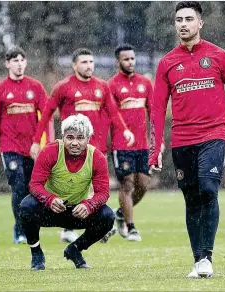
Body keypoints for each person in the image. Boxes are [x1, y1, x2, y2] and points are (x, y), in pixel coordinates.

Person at [149, 1, 225, 278]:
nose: (183, 24)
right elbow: (157, 108)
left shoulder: (218, 56)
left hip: (213, 135)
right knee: (191, 198)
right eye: (179, 20)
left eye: (189, 19)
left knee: (208, 188)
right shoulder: (167, 62)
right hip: (182, 140)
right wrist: (155, 146)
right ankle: (198, 261)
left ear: (200, 23)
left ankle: (207, 256)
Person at [30, 48, 135, 243]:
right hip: (71, 149)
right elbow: (46, 114)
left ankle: (92, 228)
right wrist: (37, 141)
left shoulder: (101, 86)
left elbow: (113, 112)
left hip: (96, 148)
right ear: (74, 65)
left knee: (97, 191)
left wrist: (125, 130)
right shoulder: (63, 87)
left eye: (91, 62)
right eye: (84, 62)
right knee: (74, 188)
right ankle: (70, 226)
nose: (89, 66)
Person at [19, 114, 114, 270]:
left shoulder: (97, 157)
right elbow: (35, 185)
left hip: (78, 213)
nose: (75, 143)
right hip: (49, 210)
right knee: (26, 206)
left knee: (108, 216)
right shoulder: (50, 151)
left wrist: (89, 205)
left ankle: (75, 249)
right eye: (70, 138)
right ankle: (36, 253)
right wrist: (49, 199)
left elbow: (103, 193)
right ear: (62, 137)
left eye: (80, 138)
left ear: (88, 138)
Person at [0, 47, 54, 244]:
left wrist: (40, 144)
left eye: (21, 60)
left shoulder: (35, 87)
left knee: (31, 188)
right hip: (10, 148)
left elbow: (46, 117)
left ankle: (27, 225)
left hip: (32, 149)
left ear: (26, 62)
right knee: (18, 186)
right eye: (14, 60)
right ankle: (19, 229)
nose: (19, 63)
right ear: (7, 63)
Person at [101, 44, 157, 243]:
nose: (130, 62)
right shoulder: (111, 85)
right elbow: (110, 116)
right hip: (121, 145)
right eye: (126, 59)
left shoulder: (145, 83)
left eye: (132, 59)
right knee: (127, 184)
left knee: (143, 184)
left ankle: (120, 214)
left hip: (142, 145)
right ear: (118, 62)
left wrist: (157, 141)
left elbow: (154, 114)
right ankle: (131, 227)